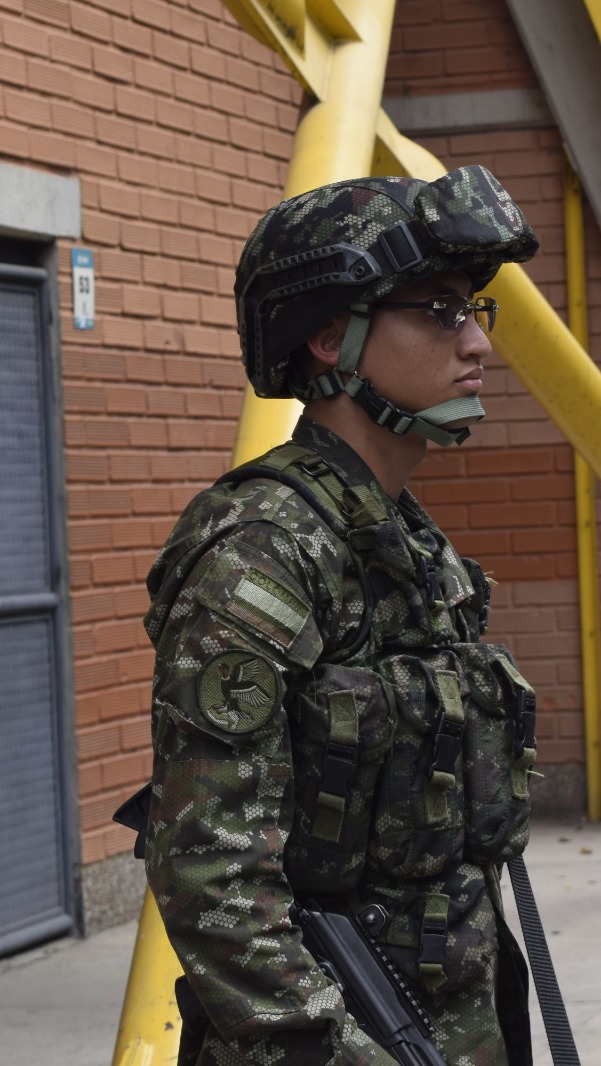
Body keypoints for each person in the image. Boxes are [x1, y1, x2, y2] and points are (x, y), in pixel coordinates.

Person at [141, 167, 546, 1062]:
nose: (478, 341)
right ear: (332, 337)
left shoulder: (408, 542)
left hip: (453, 1020)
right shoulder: (263, 549)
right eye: (440, 311)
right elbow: (211, 870)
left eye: (475, 309)